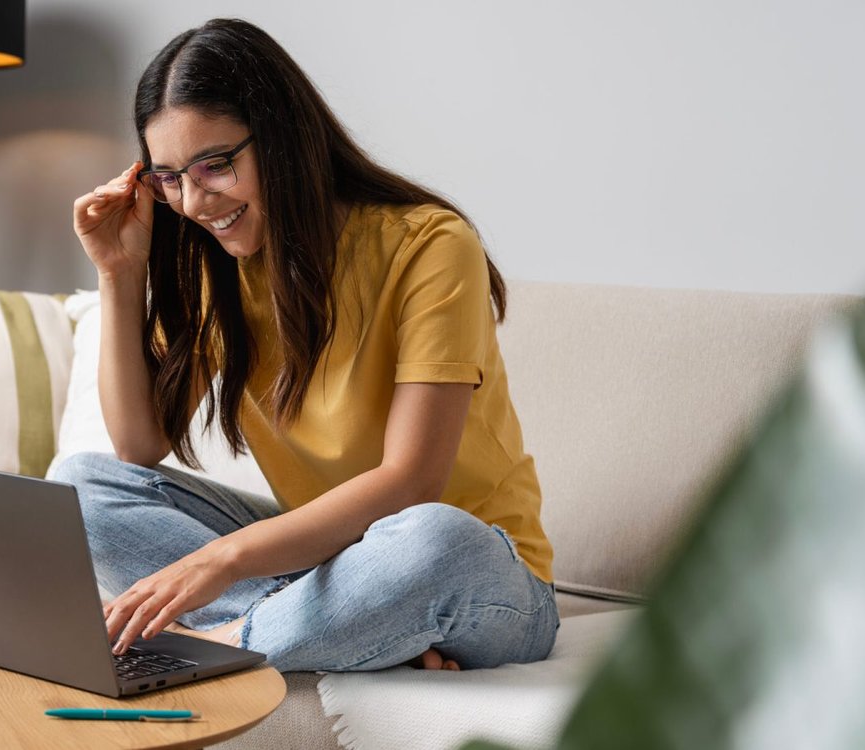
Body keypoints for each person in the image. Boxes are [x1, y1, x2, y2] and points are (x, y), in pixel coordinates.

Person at [53, 18, 557, 673]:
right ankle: (355, 627)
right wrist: (118, 275)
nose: (195, 201)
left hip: (484, 574)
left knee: (436, 541)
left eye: (215, 165)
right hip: (330, 563)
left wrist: (222, 558)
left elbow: (412, 483)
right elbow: (138, 446)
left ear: (283, 138)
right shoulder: (217, 267)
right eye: (168, 177)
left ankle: (223, 646)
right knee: (80, 487)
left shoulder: (429, 245)